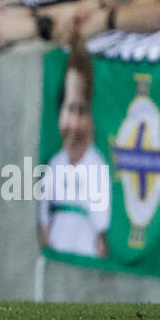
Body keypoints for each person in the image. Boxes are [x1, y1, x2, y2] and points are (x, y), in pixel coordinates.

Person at [39, 38, 110, 258]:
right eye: (69, 109)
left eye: (81, 111)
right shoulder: (53, 165)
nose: (73, 123)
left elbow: (102, 235)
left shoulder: (97, 166)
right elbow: (44, 223)